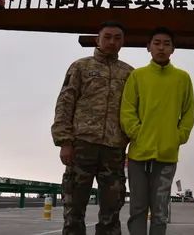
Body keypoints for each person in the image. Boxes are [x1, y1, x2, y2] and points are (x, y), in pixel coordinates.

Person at [52, 21, 133, 235]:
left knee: (111, 212)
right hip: (81, 147)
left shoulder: (129, 73)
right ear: (97, 39)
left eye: (117, 38)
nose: (112, 42)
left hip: (113, 150)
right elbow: (65, 103)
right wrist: (65, 141)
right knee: (73, 211)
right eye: (107, 37)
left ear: (123, 42)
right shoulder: (81, 66)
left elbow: (135, 111)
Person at [120, 26, 194, 235]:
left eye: (166, 44)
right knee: (137, 209)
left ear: (173, 49)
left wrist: (179, 136)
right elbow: (127, 110)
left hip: (167, 155)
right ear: (148, 47)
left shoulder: (182, 78)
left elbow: (188, 112)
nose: (161, 48)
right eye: (157, 43)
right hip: (138, 155)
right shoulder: (138, 76)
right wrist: (137, 133)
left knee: (160, 211)